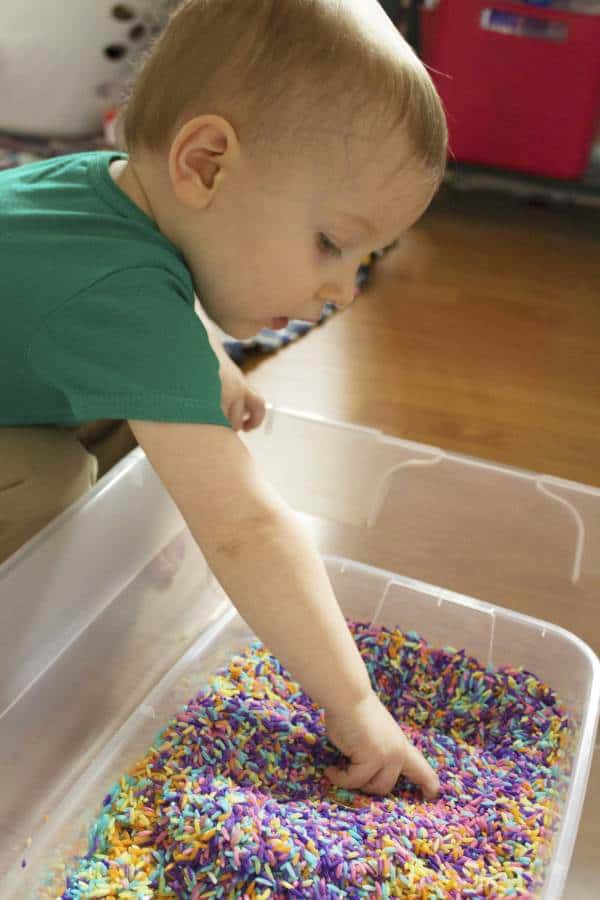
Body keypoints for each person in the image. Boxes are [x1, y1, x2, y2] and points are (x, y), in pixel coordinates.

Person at [0, 0, 447, 799]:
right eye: (331, 243)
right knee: (52, 480)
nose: (342, 290)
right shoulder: (122, 297)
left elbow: (110, 313)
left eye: (363, 259)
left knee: (133, 430)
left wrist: (204, 359)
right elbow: (244, 528)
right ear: (205, 163)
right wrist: (353, 702)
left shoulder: (108, 193)